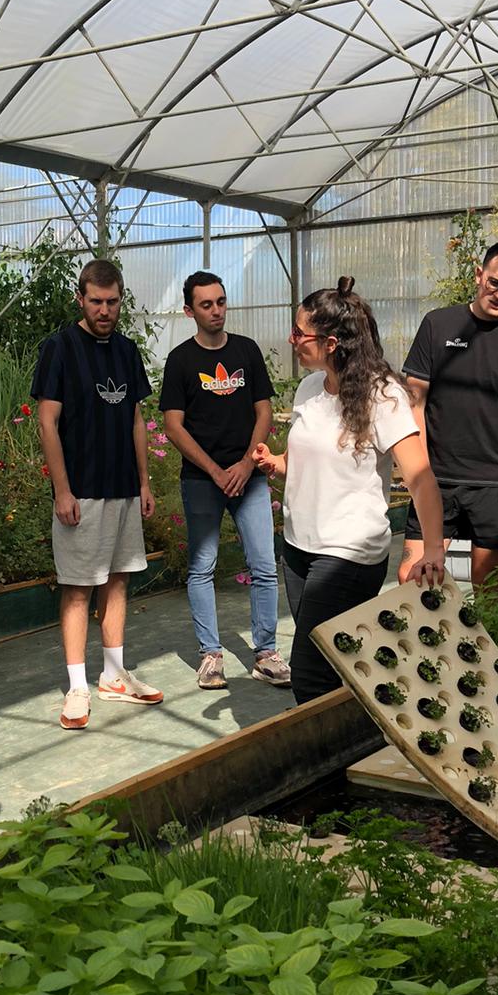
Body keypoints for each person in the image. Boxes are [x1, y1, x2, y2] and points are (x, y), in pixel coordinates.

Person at [253, 279, 446, 705]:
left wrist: (432, 549)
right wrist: (278, 463)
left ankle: (328, 768)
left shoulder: (383, 396)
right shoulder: (309, 390)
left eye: (300, 334)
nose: (292, 340)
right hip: (299, 547)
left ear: (332, 342)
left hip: (347, 553)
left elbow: (420, 479)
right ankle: (357, 745)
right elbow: (313, 463)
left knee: (309, 672)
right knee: (338, 663)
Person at [34, 258, 163, 730]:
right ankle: (77, 686)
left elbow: (134, 419)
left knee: (119, 579)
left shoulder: (127, 351)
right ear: (80, 299)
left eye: (112, 302)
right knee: (77, 588)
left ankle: (113, 675)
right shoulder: (60, 348)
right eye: (96, 302)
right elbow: (47, 420)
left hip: (123, 488)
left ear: (120, 300)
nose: (105, 310)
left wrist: (144, 482)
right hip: (81, 493)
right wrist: (61, 490)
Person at [397, 239, 498, 591]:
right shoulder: (438, 326)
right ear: (479, 274)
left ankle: (487, 647)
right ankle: (428, 648)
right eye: (494, 282)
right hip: (438, 479)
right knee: (412, 579)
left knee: (489, 588)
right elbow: (414, 403)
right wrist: (418, 470)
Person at [160, 271, 290, 690]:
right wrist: (216, 471)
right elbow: (174, 426)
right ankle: (210, 655)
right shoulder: (180, 360)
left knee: (264, 566)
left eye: (220, 301)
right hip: (202, 481)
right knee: (202, 568)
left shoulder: (246, 351)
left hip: (248, 478)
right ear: (189, 311)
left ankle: (266, 653)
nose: (216, 310)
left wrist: (247, 465)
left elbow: (264, 412)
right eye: (206, 305)